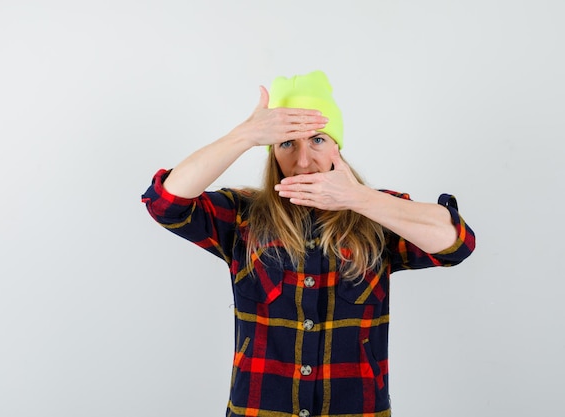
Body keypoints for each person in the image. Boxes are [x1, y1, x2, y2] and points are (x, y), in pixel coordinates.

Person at [141, 70, 475, 417]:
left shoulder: (378, 212)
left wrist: (360, 199)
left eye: (317, 140)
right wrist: (244, 135)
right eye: (288, 143)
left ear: (337, 146)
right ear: (272, 153)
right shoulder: (243, 215)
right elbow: (165, 203)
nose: (303, 161)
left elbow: (457, 243)